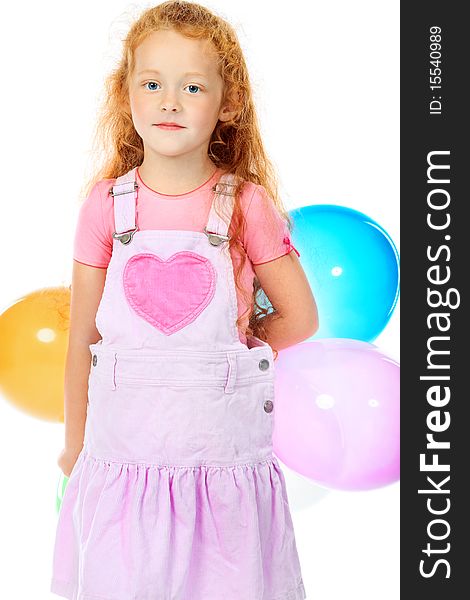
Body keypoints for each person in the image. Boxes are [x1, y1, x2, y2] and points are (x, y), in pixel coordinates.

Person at [50, 2, 318, 598]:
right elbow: (84, 337)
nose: (169, 101)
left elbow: (299, 316)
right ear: (126, 95)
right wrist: (75, 448)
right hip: (125, 459)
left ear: (228, 103)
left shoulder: (243, 205)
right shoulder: (105, 206)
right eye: (152, 84)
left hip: (219, 463)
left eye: (192, 86)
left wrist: (238, 348)